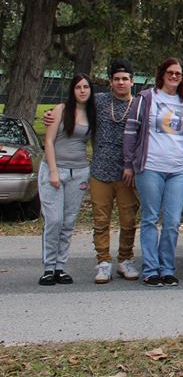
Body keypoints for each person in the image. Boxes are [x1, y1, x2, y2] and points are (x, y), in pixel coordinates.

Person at [42, 59, 140, 283]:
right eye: (116, 79)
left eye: (125, 79)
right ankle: (103, 262)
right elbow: (74, 105)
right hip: (99, 171)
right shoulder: (99, 101)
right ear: (110, 82)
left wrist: (134, 166)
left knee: (128, 220)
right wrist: (51, 114)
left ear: (132, 82)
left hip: (127, 173)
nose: (121, 82)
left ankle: (125, 260)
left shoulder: (139, 105)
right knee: (100, 220)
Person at [123, 58, 183, 287]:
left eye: (178, 74)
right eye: (170, 72)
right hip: (150, 167)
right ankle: (151, 269)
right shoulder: (146, 98)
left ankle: (167, 268)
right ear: (162, 74)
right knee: (150, 218)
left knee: (172, 222)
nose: (174, 76)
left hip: (177, 169)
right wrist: (128, 164)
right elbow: (131, 131)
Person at [38, 74, 96, 286]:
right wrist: (53, 172)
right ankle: (48, 267)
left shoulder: (92, 113)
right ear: (72, 90)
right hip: (54, 171)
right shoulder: (61, 110)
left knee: (68, 222)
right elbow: (49, 141)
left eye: (86, 87)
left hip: (79, 173)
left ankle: (60, 267)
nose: (82, 90)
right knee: (54, 220)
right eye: (78, 87)